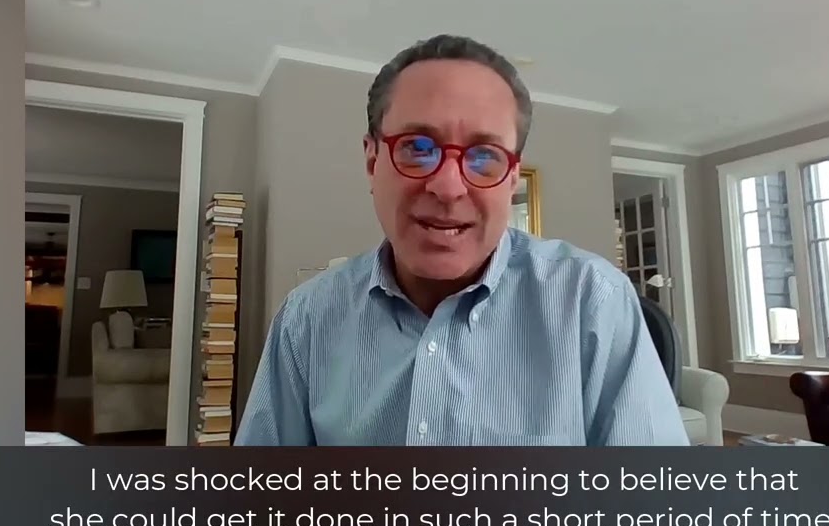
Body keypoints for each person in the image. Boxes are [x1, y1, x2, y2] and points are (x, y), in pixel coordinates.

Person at [235, 34, 688, 446]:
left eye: (484, 156)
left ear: (512, 177)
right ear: (373, 162)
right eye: (417, 148)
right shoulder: (305, 321)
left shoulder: (594, 302)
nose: (448, 188)